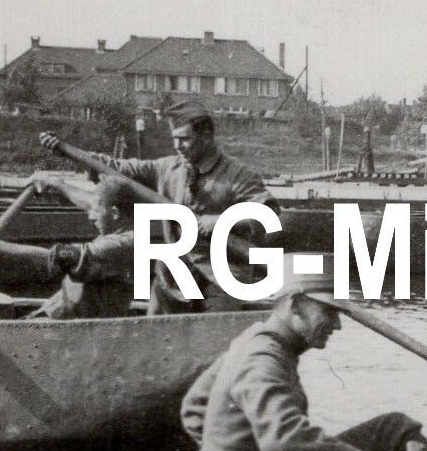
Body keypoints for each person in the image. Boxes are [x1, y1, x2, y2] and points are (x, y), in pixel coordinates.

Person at [181, 262, 427, 451]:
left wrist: (232, 450)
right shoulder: (262, 357)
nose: (337, 324)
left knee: (394, 427)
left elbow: (194, 406)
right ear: (295, 304)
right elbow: (283, 435)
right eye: (329, 312)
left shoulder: (257, 340)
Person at [39, 98, 274, 314]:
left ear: (206, 136)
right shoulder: (167, 169)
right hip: (173, 273)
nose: (177, 146)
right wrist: (66, 150)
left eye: (184, 139)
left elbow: (269, 213)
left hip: (222, 276)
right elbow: (115, 167)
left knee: (215, 334)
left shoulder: (239, 175)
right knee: (155, 329)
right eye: (174, 139)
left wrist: (220, 221)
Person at [0, 172, 137, 319]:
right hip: (58, 314)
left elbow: (60, 257)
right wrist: (53, 182)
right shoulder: (120, 224)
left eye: (96, 211)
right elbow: (89, 202)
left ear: (115, 213)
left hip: (73, 332)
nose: (90, 216)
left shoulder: (122, 245)